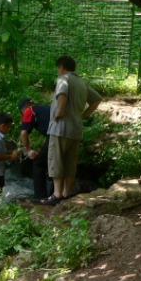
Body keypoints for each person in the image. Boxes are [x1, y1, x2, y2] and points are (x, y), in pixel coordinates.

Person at [40, 56, 102, 206]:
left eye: (57, 68)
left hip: (60, 128)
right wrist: (83, 115)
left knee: (56, 159)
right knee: (70, 162)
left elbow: (62, 94)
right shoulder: (81, 82)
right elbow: (97, 99)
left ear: (61, 67)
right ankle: (67, 193)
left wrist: (59, 111)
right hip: (76, 129)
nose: (57, 71)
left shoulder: (63, 79)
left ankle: (56, 194)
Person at [18, 98, 51, 202]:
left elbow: (23, 133)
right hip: (68, 134)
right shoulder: (44, 108)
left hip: (55, 136)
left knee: (38, 163)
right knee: (57, 163)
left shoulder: (29, 111)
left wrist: (28, 150)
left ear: (23, 109)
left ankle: (40, 196)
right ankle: (57, 195)